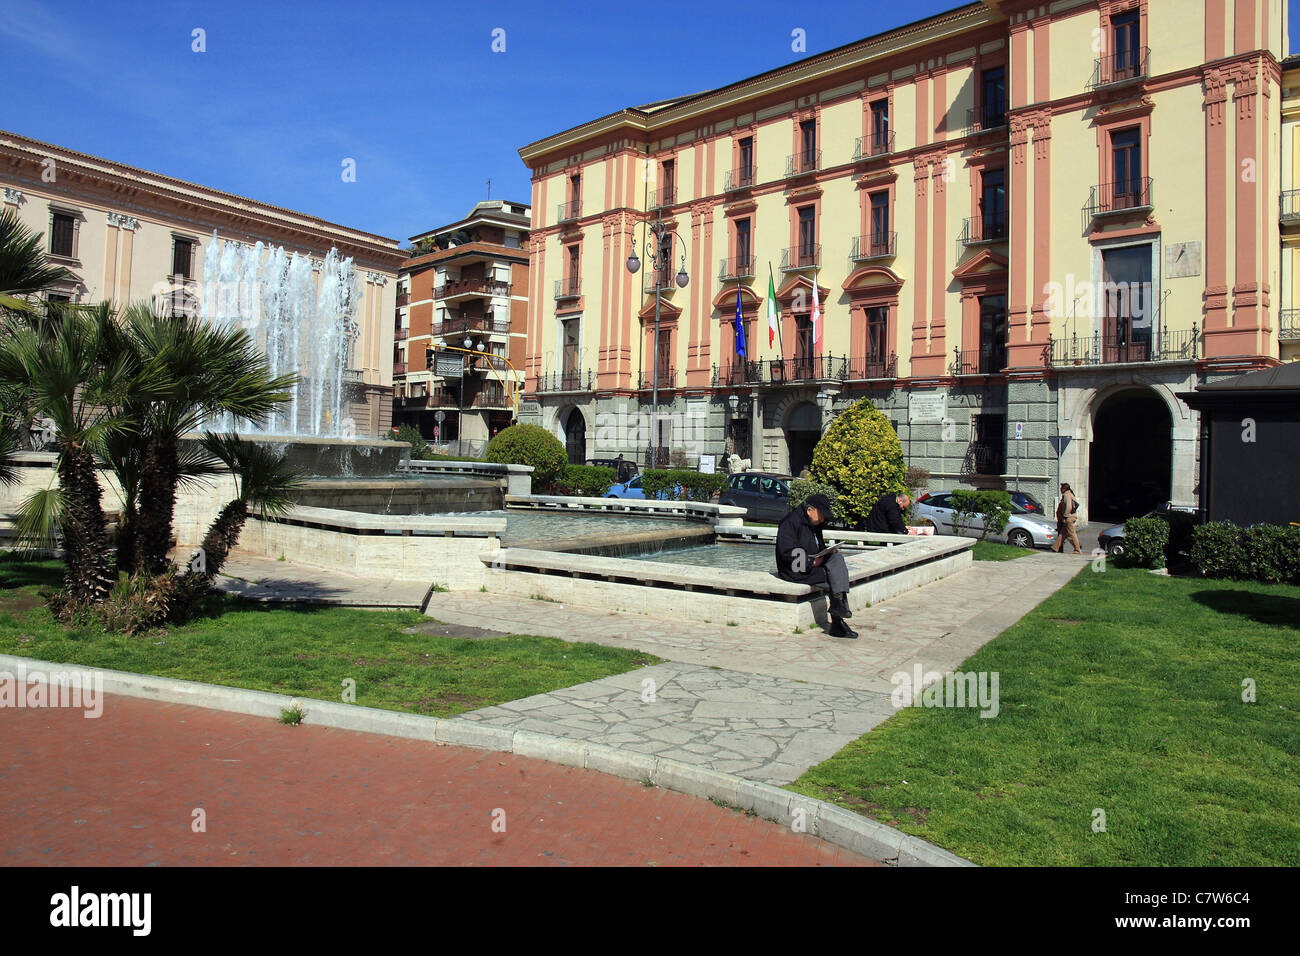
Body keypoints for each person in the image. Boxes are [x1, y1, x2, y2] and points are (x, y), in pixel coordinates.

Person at [776, 493, 858, 639]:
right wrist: (810, 562)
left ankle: (838, 609)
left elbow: (817, 546)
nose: (822, 519)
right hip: (795, 569)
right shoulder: (790, 522)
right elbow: (786, 552)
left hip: (813, 563)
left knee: (837, 559)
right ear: (809, 510)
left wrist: (826, 553)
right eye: (821, 515)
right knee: (832, 576)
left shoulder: (815, 523)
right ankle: (838, 615)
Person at [1051, 482, 1082, 553]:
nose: (1060, 490)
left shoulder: (1067, 495)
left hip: (1068, 518)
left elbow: (1069, 507)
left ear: (1064, 489)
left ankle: (1077, 549)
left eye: (1061, 488)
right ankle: (1055, 547)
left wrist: (1065, 516)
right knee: (1063, 533)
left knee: (1071, 534)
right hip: (1070, 517)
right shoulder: (1070, 494)